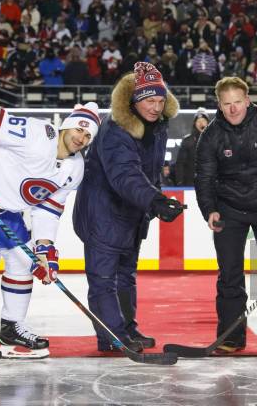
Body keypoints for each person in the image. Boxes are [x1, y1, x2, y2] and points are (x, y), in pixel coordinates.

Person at [0, 101, 100, 372]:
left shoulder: (75, 169)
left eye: (87, 136)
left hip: (5, 209)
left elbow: (48, 210)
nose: (81, 138)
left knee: (23, 262)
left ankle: (11, 328)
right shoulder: (37, 134)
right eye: (78, 129)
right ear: (66, 125)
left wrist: (44, 249)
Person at [73, 62, 182, 353]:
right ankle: (113, 336)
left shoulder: (157, 126)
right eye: (149, 100)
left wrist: (153, 199)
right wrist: (155, 199)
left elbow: (150, 170)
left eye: (160, 100)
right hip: (103, 214)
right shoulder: (115, 129)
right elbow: (125, 174)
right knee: (104, 279)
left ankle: (126, 329)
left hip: (132, 214)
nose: (156, 107)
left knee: (125, 276)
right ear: (133, 101)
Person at [195, 76, 257, 355]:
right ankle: (231, 337)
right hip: (229, 211)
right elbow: (204, 177)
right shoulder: (212, 134)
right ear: (219, 104)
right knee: (229, 275)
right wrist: (210, 209)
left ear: (247, 99)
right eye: (226, 104)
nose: (233, 109)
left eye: (237, 102)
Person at [175, 107, 209, 186]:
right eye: (198, 121)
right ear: (195, 124)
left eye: (203, 121)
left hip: (210, 184)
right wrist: (180, 182)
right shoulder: (188, 141)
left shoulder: (215, 139)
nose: (201, 123)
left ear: (208, 123)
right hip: (190, 184)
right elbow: (180, 164)